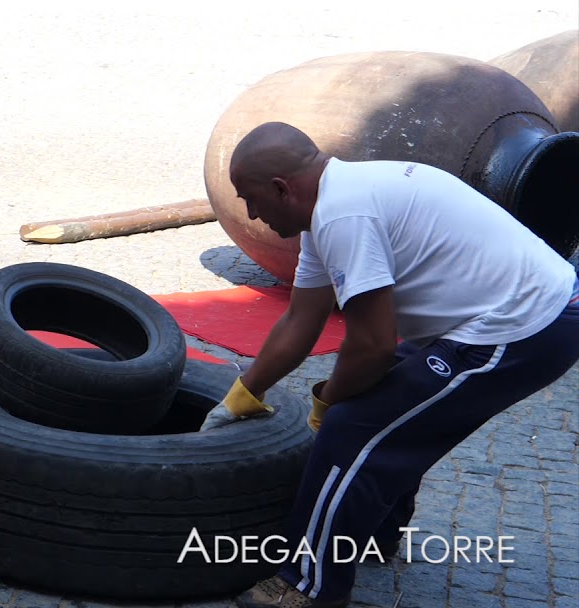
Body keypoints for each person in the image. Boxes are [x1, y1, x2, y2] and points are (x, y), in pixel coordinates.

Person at [201, 121, 579, 608]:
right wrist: (243, 394)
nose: (250, 213)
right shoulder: (331, 207)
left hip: (528, 325)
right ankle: (372, 534)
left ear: (281, 188)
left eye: (250, 199)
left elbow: (374, 346)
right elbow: (301, 319)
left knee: (355, 425)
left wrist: (329, 403)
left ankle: (305, 587)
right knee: (390, 402)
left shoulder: (343, 215)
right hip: (509, 314)